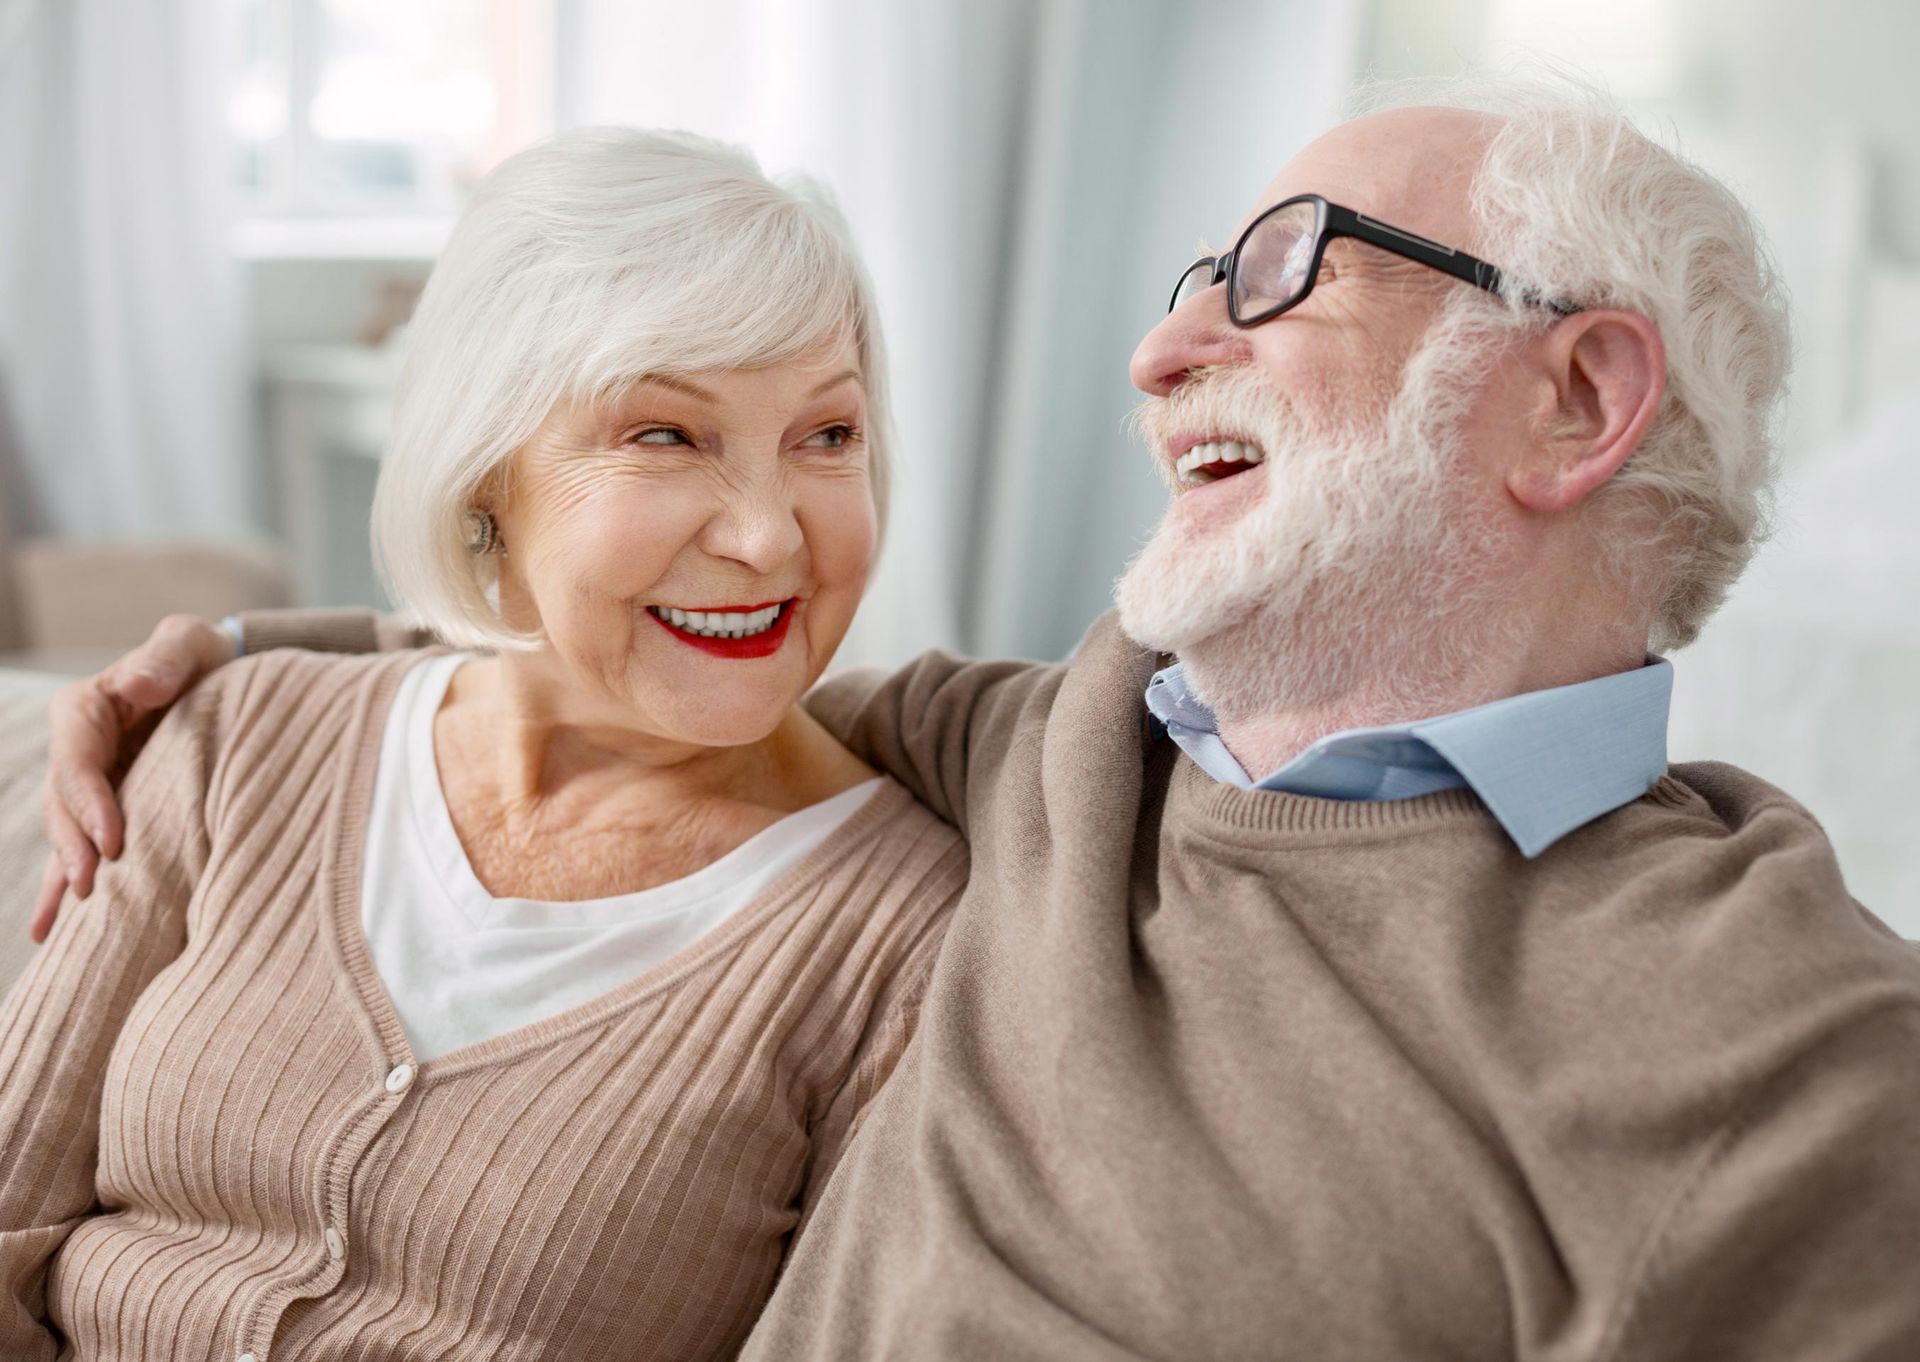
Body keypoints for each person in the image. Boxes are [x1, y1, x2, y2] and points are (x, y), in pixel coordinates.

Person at [34, 76, 1920, 1360]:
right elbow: (638, 662)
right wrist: (229, 675)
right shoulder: (1053, 742)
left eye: (1280, 276)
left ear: (1575, 400)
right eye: (1196, 286)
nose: (1165, 349)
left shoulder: (1792, 1045)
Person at [0, 127, 968, 1360]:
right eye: (667, 435)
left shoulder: (908, 939)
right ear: (484, 480)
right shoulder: (234, 737)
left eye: (827, 437)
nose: (772, 539)